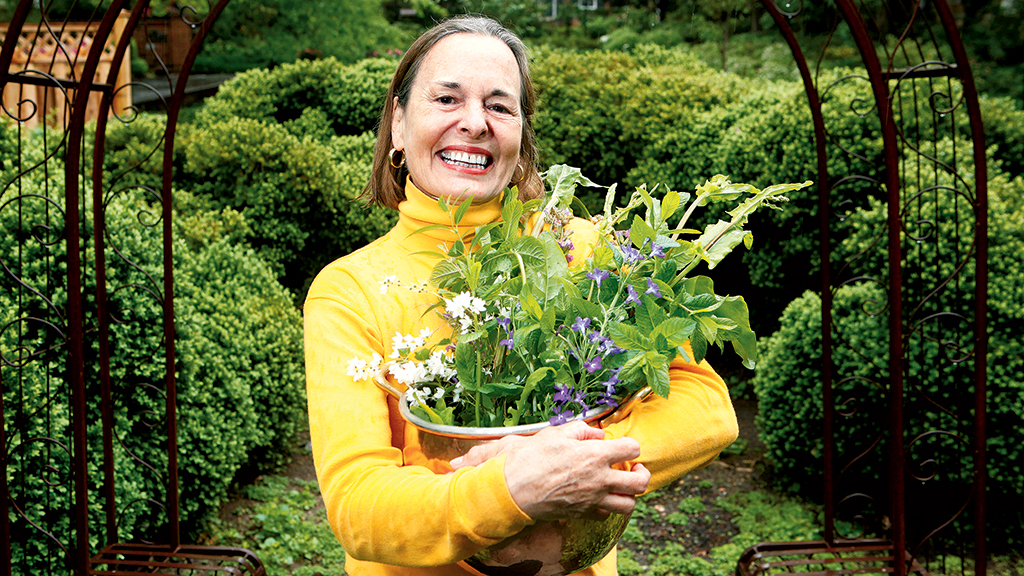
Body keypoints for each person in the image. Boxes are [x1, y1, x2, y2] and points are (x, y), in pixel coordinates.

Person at [303, 14, 739, 576]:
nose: (475, 123)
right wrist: (512, 487)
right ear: (399, 123)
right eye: (446, 99)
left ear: (521, 137)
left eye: (500, 106)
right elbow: (359, 505)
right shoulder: (350, 290)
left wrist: (574, 463)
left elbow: (706, 408)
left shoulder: (585, 252)